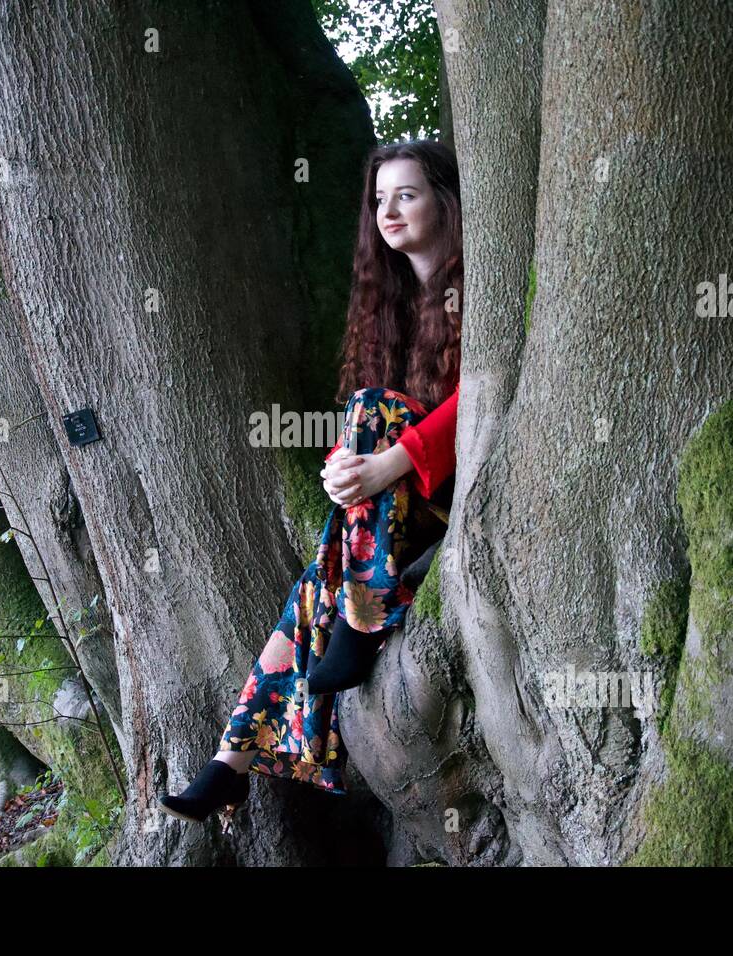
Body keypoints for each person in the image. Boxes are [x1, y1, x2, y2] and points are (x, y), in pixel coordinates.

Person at [158, 139, 463, 825]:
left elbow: (479, 399)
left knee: (370, 417)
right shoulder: (389, 309)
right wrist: (341, 470)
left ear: (444, 200)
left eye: (406, 194)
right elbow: (364, 426)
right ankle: (229, 764)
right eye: (379, 198)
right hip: (388, 519)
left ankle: (356, 622)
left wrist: (390, 461)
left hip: (453, 493)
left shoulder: (476, 288)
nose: (387, 211)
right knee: (317, 580)